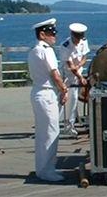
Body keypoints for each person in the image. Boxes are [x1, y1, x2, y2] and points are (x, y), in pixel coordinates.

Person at [28, 18, 68, 182]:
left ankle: (42, 168)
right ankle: (47, 170)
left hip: (39, 92)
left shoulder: (33, 51)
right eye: (52, 33)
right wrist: (63, 90)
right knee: (51, 133)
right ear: (42, 34)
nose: (55, 36)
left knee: (43, 134)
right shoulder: (46, 50)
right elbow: (54, 74)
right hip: (46, 94)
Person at [59, 23, 89, 136]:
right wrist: (80, 76)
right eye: (76, 38)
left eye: (80, 38)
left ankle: (70, 126)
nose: (78, 41)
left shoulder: (83, 41)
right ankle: (54, 124)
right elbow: (70, 64)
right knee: (62, 100)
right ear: (72, 35)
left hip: (77, 72)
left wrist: (79, 66)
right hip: (66, 74)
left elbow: (85, 57)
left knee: (74, 99)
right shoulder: (65, 46)